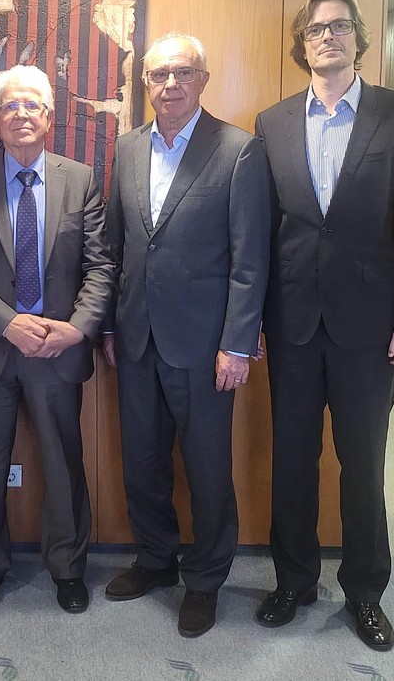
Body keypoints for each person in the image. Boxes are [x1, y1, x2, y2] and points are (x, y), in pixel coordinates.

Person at [253, 0, 394, 651]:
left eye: (338, 26)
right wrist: (251, 322)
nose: (326, 36)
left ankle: (365, 591)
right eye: (314, 29)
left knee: (363, 464)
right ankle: (294, 581)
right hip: (293, 324)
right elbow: (263, 230)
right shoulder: (273, 122)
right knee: (292, 462)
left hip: (370, 327)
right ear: (301, 44)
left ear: (358, 38)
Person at [102, 34, 270, 637]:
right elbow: (116, 247)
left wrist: (237, 342)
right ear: (144, 83)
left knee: (207, 469)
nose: (169, 84)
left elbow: (250, 260)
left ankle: (204, 580)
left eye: (182, 72)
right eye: (158, 74)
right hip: (136, 338)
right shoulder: (126, 148)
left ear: (203, 79)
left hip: (204, 346)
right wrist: (110, 324)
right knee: (142, 462)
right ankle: (155, 560)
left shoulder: (238, 150)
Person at [0, 64, 114, 616]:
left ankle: (68, 567)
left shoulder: (80, 180)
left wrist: (77, 327)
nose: (20, 114)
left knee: (64, 464)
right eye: (9, 106)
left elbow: (101, 266)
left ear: (50, 116)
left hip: (57, 349)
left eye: (31, 104)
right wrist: (7, 322)